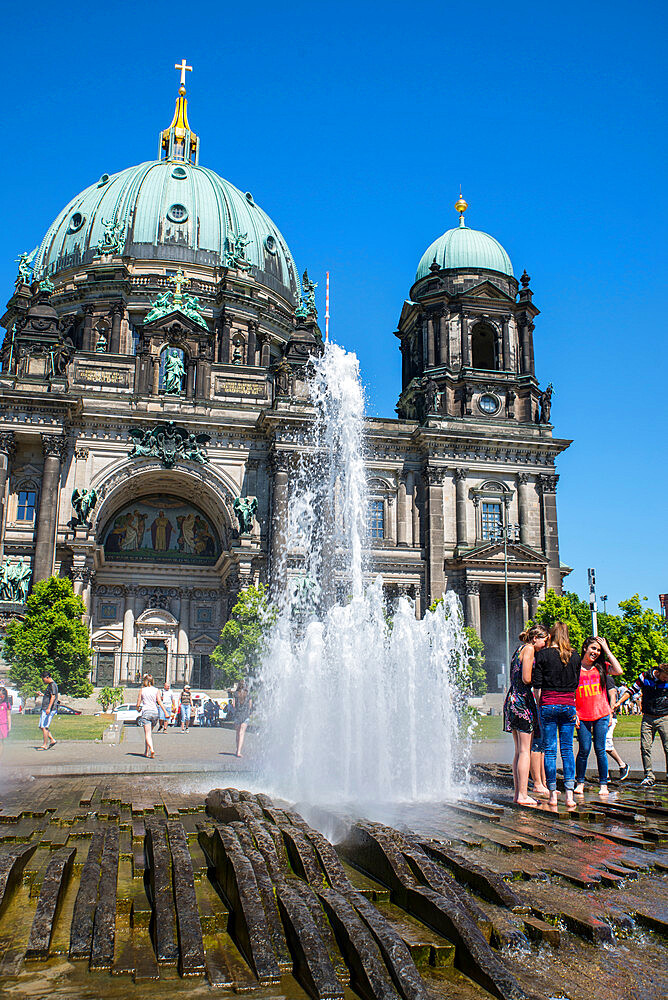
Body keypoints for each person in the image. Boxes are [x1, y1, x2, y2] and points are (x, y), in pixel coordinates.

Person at [532, 622, 582, 807]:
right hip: (568, 704)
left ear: (550, 636)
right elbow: (576, 684)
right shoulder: (575, 655)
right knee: (567, 750)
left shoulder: (543, 655)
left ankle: (552, 795)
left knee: (550, 751)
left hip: (548, 704)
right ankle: (569, 796)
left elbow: (537, 685)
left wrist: (539, 704)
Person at [503, 625, 549, 805]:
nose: (545, 644)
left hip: (512, 699)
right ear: (536, 638)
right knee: (525, 751)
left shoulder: (518, 649)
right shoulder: (529, 649)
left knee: (519, 751)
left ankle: (518, 794)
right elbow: (526, 678)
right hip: (522, 700)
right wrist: (541, 679)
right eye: (544, 640)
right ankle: (522, 794)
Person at [574, 637, 623, 796]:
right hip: (583, 715)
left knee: (600, 749)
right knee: (584, 749)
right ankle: (580, 781)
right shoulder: (575, 668)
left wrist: (607, 649)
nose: (595, 652)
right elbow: (570, 692)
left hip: (601, 714)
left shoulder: (601, 667)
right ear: (585, 648)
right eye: (593, 648)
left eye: (598, 650)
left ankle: (603, 783)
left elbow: (619, 670)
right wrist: (574, 713)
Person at [618, 663, 668, 787]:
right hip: (648, 717)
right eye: (665, 677)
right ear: (659, 672)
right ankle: (649, 775)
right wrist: (619, 702)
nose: (666, 680)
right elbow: (631, 690)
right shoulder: (645, 677)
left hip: (664, 717)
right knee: (645, 747)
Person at [605, 676, 630, 780]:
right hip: (598, 716)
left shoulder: (607, 679)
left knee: (606, 744)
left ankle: (622, 765)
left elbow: (613, 696)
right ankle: (605, 774)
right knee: (601, 746)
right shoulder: (593, 677)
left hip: (609, 716)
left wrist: (610, 713)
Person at [135, 673, 165, 758]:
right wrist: (165, 712)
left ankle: (152, 749)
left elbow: (138, 703)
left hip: (146, 712)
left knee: (147, 734)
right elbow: (159, 702)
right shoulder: (156, 690)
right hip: (155, 713)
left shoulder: (142, 690)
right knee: (149, 734)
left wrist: (138, 708)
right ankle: (146, 752)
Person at [37, 671, 58, 751]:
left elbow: (53, 697)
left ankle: (45, 745)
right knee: (41, 726)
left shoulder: (53, 685)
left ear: (47, 677)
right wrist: (43, 695)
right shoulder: (50, 685)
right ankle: (52, 740)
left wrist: (49, 708)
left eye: (43, 679)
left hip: (48, 709)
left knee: (44, 726)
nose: (43, 681)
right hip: (45, 708)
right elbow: (49, 696)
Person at [232, 681, 253, 758]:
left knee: (237, 733)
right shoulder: (248, 694)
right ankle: (239, 751)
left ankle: (237, 749)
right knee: (242, 733)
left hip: (237, 715)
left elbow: (233, 705)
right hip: (245, 715)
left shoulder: (236, 694)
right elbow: (250, 706)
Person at [0, 687, 11, 756]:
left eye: (1, 696)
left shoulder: (6, 704)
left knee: (1, 742)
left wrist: (9, 726)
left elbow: (8, 715)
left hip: (3, 725)